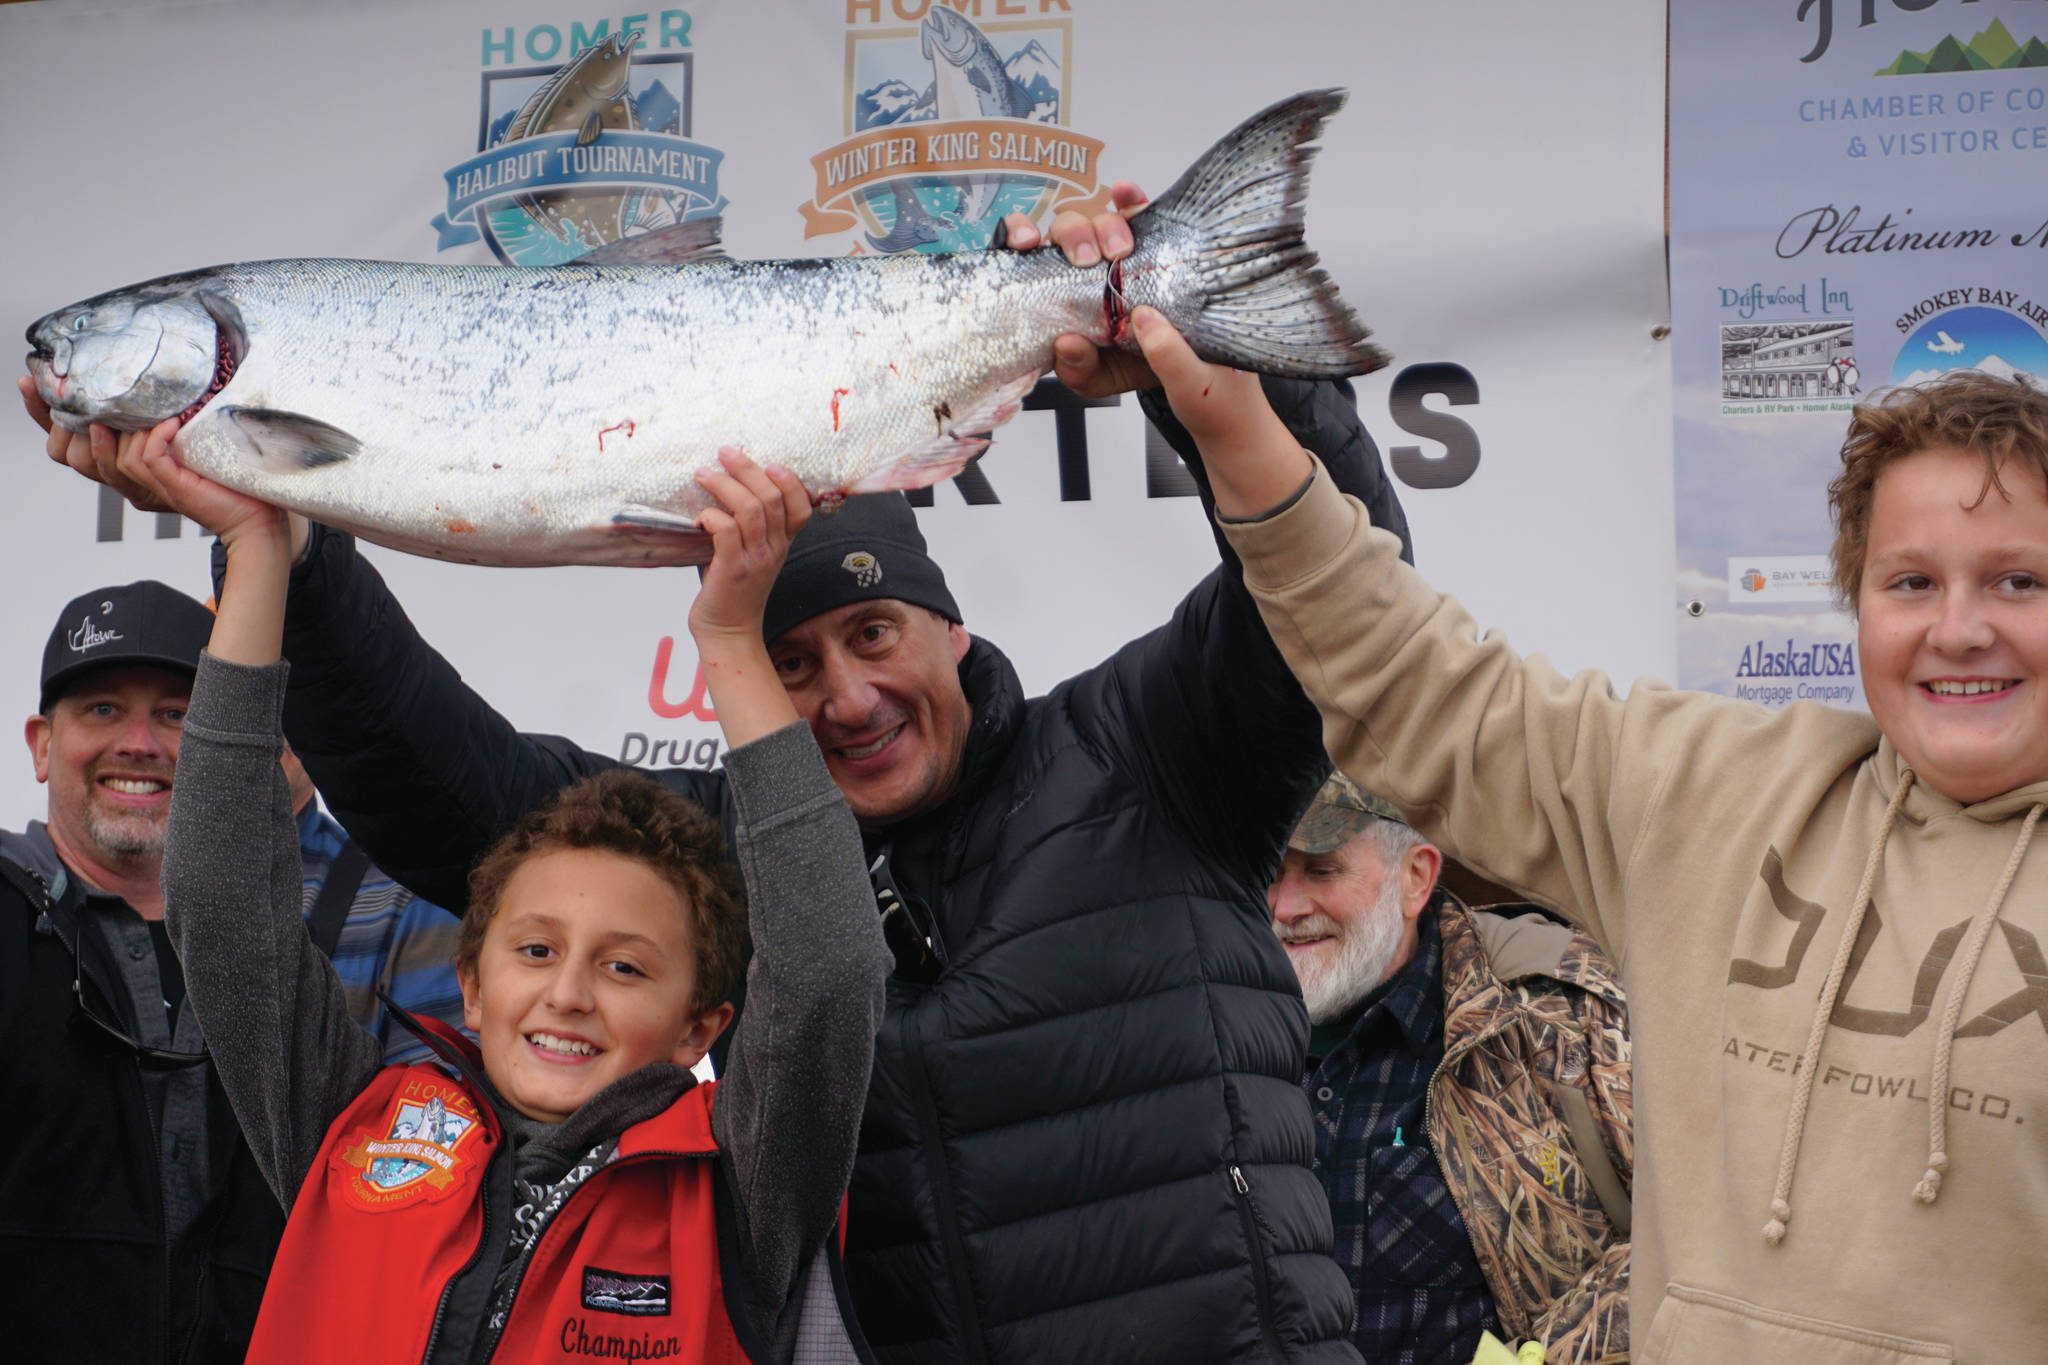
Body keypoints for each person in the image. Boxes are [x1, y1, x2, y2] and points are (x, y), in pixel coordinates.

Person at [26, 188, 1413, 1363]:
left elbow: (1340, 596)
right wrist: (278, 535)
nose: (848, 694)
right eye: (789, 660)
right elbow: (428, 782)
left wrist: (1201, 365)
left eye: (873, 636)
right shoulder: (707, 863)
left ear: (953, 631)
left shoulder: (1154, 752)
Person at [1128, 307, 2048, 1361]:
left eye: (2016, 580)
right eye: (1910, 582)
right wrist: (1229, 423)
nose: (1957, 626)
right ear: (1856, 600)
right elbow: (1416, 680)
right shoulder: (1711, 791)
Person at [146, 435, 890, 1362]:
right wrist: (258, 555)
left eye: (624, 965)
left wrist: (733, 640)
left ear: (703, 1026)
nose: (567, 992)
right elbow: (222, 908)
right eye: (535, 950)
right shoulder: (346, 1120)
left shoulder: (745, 1183)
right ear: (469, 983)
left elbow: (827, 968)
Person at [0, 578, 287, 1365]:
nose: (140, 742)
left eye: (175, 714)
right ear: (41, 743)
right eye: (101, 709)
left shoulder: (288, 969)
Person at [1271, 773, 1632, 1365]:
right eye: (1272, 872)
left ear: (1415, 878)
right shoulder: (1211, 1028)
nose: (1286, 907)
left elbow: (1688, 1234)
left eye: (1321, 870)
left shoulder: (1556, 1013)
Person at [281, 739, 469, 1065]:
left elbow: (435, 1106)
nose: (251, 717)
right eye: (180, 713)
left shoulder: (412, 897)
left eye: (173, 714)